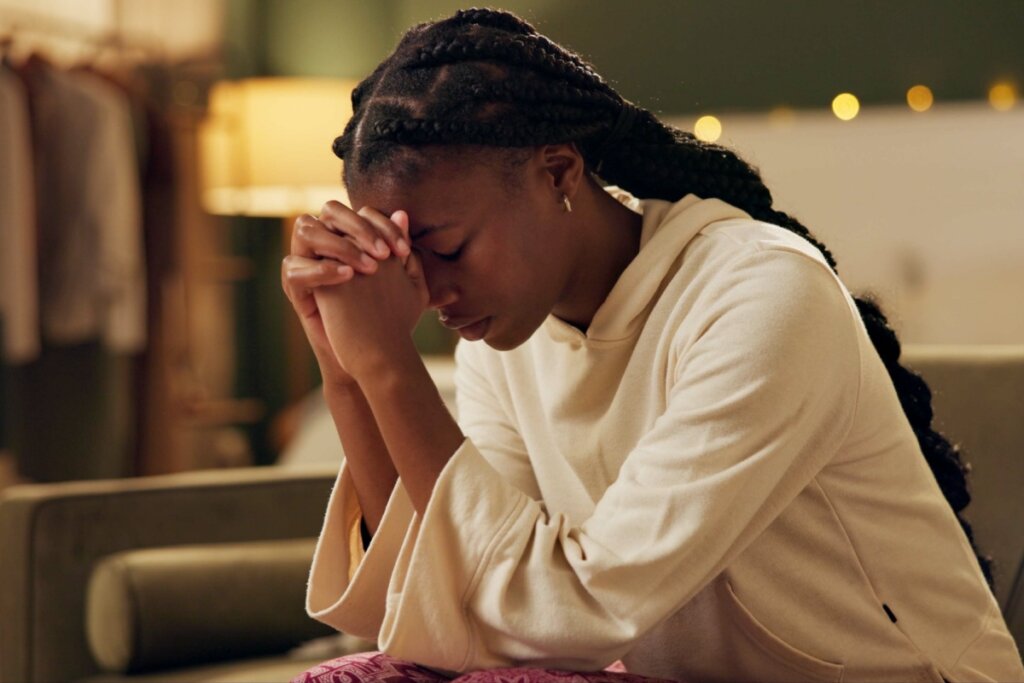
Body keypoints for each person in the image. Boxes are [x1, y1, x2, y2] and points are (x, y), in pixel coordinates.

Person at [281, 9, 1024, 682]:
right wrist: (349, 373)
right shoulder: (501, 337)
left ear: (558, 172)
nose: (431, 294)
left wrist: (390, 365)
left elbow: (575, 610)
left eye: (447, 249)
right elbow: (452, 593)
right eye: (408, 265)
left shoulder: (762, 294)